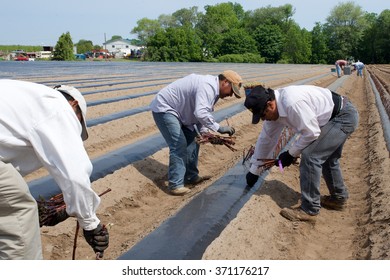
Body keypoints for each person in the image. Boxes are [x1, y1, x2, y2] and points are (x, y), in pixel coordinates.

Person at [0, 80, 109, 259]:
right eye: (79, 120)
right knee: (19, 215)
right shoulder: (59, 107)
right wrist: (90, 223)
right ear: (74, 104)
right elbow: (75, 176)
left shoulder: (29, 99)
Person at [244, 85, 359, 223]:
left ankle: (309, 210)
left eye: (263, 115)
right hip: (333, 117)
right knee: (328, 159)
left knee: (311, 156)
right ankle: (338, 198)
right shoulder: (273, 111)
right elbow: (266, 139)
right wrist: (254, 170)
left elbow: (311, 132)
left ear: (270, 104)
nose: (264, 119)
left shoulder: (292, 103)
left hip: (342, 117)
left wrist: (290, 153)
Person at [150, 70, 243, 196]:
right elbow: (200, 113)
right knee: (179, 144)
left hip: (182, 113)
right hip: (166, 108)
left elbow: (202, 112)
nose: (231, 95)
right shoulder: (208, 86)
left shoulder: (214, 91)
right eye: (231, 90)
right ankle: (175, 185)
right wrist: (219, 128)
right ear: (225, 82)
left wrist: (205, 132)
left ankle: (191, 177)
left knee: (194, 141)